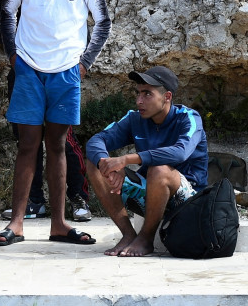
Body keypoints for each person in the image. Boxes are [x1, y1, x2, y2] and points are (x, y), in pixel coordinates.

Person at [0, 0, 110, 248]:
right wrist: (14, 55)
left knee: (57, 145)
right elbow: (5, 13)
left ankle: (59, 224)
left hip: (67, 71)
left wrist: (84, 63)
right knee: (28, 145)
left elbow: (102, 22)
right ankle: (16, 223)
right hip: (28, 68)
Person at [84, 66, 208, 257]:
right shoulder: (135, 119)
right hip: (151, 196)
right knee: (95, 163)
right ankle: (127, 235)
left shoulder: (189, 118)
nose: (139, 100)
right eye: (138, 93)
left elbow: (180, 152)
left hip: (189, 201)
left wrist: (126, 160)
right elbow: (96, 141)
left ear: (167, 97)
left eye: (147, 94)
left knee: (158, 170)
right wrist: (106, 165)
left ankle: (146, 240)